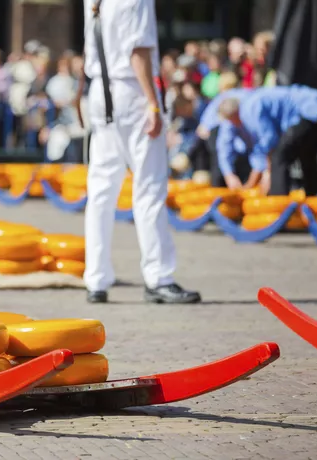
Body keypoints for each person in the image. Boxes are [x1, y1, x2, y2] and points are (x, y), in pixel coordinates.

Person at [79, 0, 200, 304]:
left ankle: (96, 279)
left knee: (101, 190)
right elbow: (139, 51)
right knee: (149, 185)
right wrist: (153, 103)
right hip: (131, 91)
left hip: (101, 89)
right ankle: (158, 276)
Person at [216, 85, 317, 196]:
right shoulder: (250, 103)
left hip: (309, 109)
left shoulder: (250, 110)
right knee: (306, 155)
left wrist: (264, 176)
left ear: (233, 115)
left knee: (280, 157)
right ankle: (315, 198)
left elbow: (269, 140)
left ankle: (279, 205)